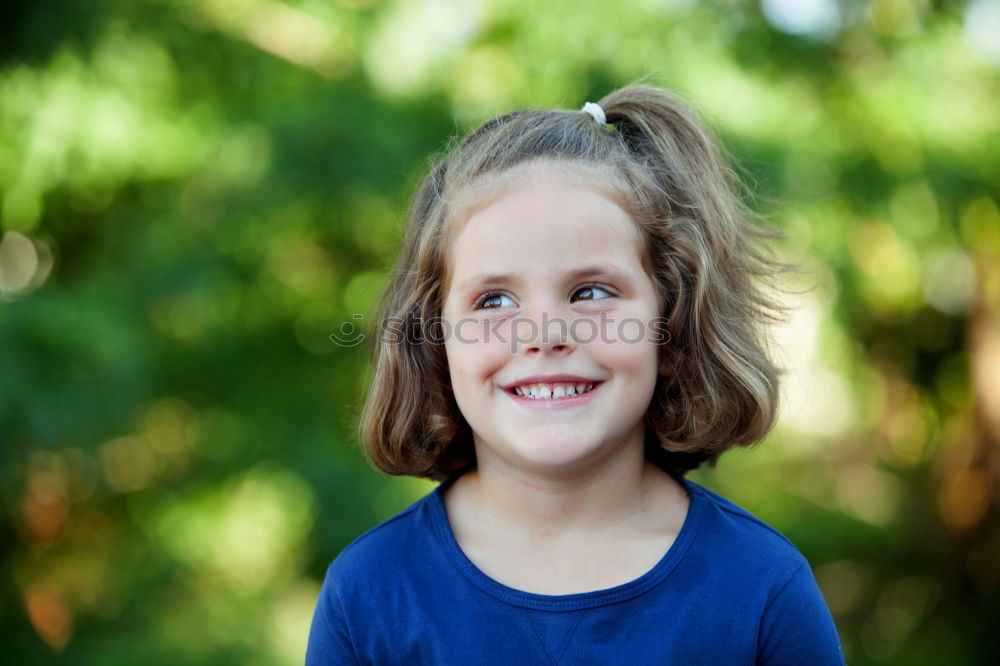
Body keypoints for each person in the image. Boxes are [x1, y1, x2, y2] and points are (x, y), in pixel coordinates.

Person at [305, 81, 846, 665]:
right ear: (436, 340)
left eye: (590, 291)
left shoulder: (762, 591)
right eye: (493, 301)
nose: (543, 334)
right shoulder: (367, 596)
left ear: (671, 324)